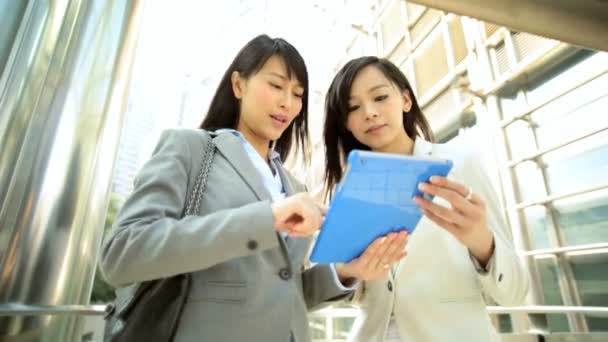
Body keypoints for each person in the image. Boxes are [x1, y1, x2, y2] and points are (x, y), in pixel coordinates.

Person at [100, 36, 407, 342]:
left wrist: (344, 271)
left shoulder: (293, 185)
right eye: (276, 86)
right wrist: (267, 218)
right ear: (238, 85)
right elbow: (123, 253)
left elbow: (287, 290)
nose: (287, 102)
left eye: (297, 94)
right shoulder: (190, 149)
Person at [323, 56, 530, 342]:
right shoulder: (349, 188)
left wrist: (482, 242)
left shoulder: (459, 164)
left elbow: (516, 291)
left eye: (380, 97)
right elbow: (351, 294)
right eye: (353, 107)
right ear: (346, 123)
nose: (369, 112)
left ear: (406, 100)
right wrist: (347, 272)